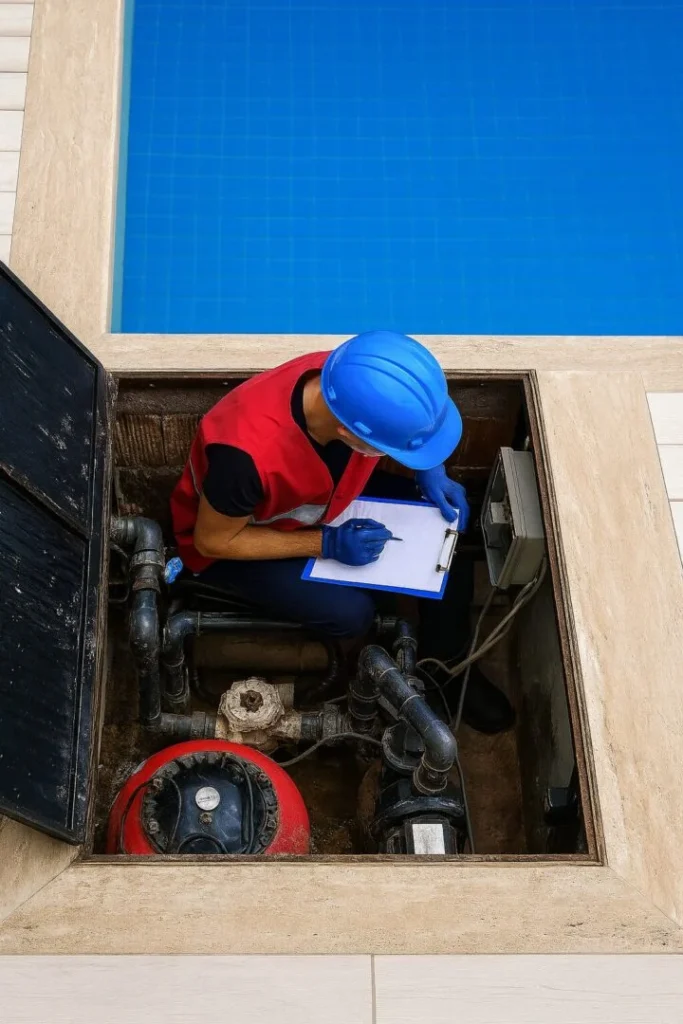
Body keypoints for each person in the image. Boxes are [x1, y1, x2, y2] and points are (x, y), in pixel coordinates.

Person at [171, 331, 513, 733]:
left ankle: (445, 666)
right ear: (352, 437)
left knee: (443, 533)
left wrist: (429, 468)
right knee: (351, 614)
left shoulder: (353, 378)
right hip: (240, 538)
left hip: (323, 497)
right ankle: (369, 652)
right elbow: (213, 540)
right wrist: (326, 544)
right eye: (392, 449)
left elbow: (402, 423)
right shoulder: (244, 458)